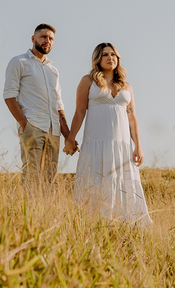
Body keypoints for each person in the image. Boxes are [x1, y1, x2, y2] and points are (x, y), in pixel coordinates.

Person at [63, 42, 152, 226]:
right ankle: (92, 224)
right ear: (98, 58)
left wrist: (138, 146)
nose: (110, 58)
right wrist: (70, 138)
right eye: (105, 55)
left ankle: (124, 225)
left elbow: (132, 118)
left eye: (113, 54)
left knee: (122, 183)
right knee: (94, 181)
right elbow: (80, 111)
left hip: (122, 146)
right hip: (95, 143)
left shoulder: (126, 86)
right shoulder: (88, 81)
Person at [3, 24, 70, 186]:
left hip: (54, 130)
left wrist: (68, 136)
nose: (48, 41)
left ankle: (45, 210)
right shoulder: (19, 62)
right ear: (33, 39)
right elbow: (9, 95)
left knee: (50, 177)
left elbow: (59, 104)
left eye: (51, 39)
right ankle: (29, 210)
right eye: (44, 37)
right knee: (32, 175)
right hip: (33, 126)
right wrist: (25, 124)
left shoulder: (53, 70)